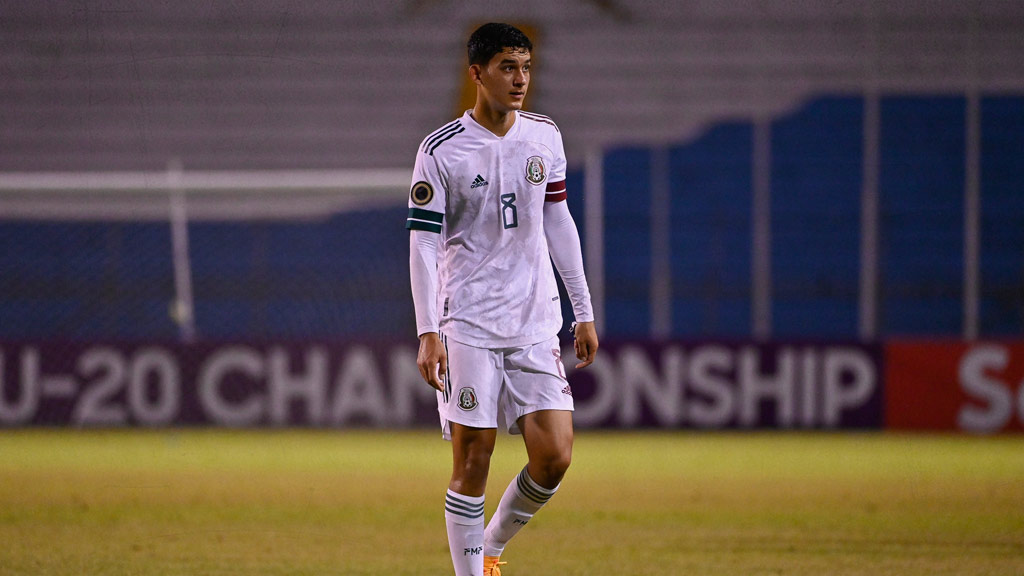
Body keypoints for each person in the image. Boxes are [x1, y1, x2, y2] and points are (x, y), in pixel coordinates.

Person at [406, 22, 598, 576]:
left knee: (555, 455)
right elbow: (422, 244)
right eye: (507, 68)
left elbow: (557, 219)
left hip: (537, 321)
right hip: (468, 323)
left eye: (526, 68)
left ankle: (488, 548)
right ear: (477, 72)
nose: (520, 80)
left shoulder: (545, 136)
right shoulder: (441, 150)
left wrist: (581, 310)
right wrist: (427, 331)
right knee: (474, 459)